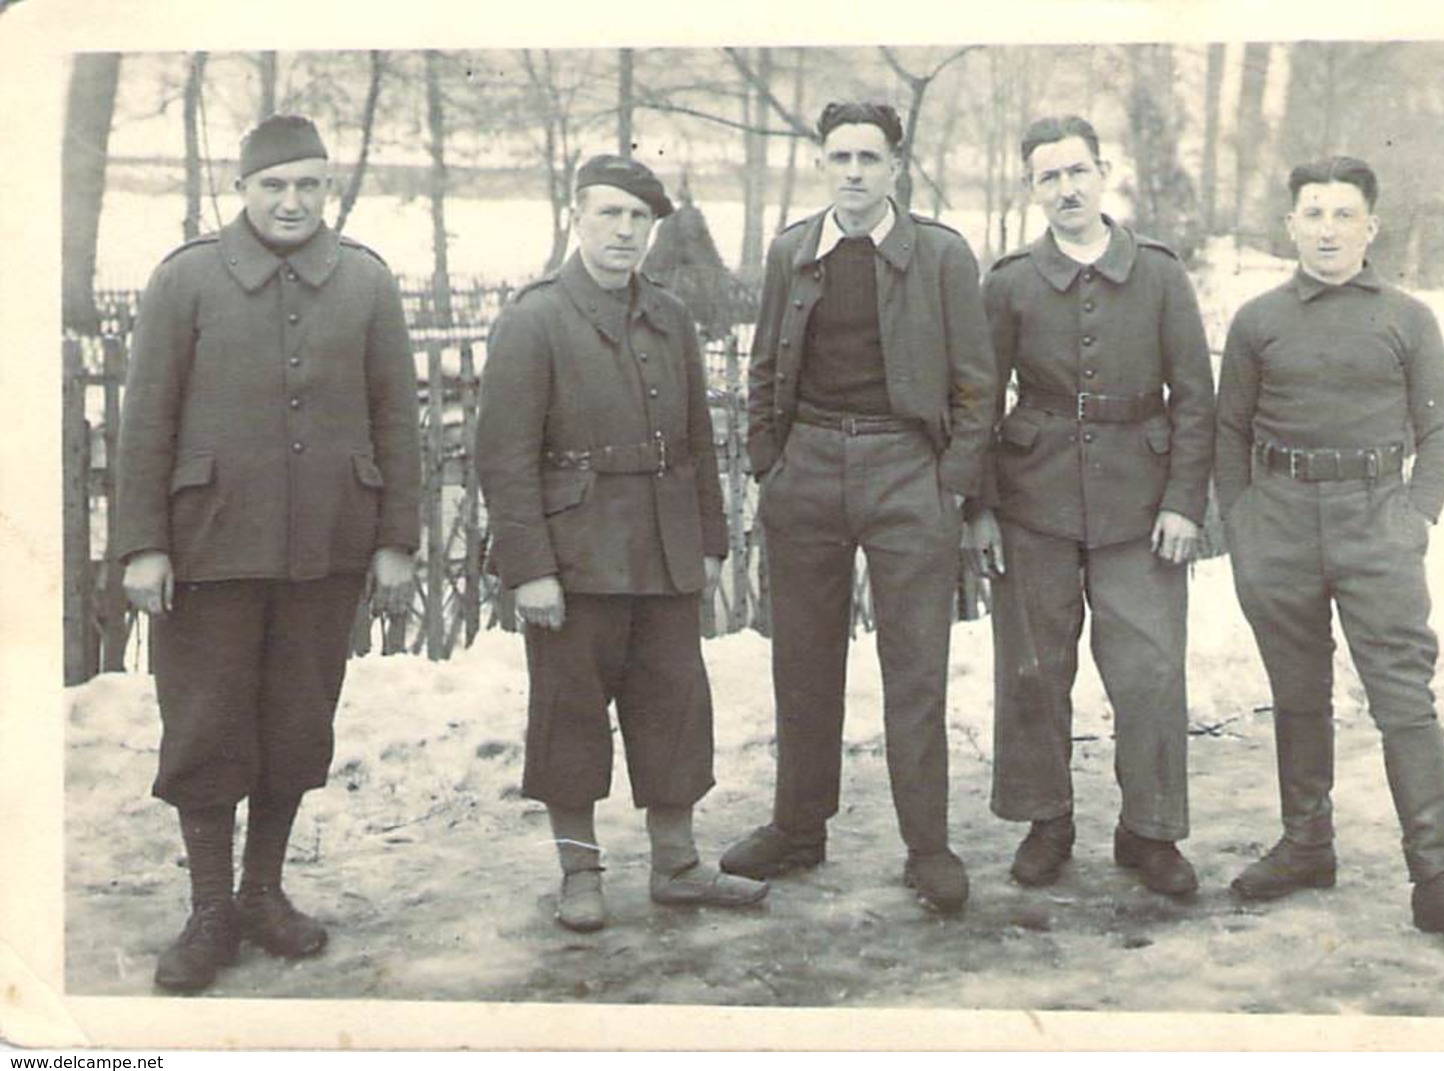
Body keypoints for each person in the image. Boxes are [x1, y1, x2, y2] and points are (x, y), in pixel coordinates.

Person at [115, 114, 421, 993]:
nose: (291, 202)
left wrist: (394, 538)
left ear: (329, 189)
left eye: (308, 185)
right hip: (209, 543)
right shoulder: (187, 280)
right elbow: (147, 422)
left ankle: (262, 891)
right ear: (241, 189)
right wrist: (143, 545)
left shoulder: (364, 281)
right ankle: (211, 907)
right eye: (272, 186)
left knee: (295, 723)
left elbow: (397, 418)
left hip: (326, 544)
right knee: (206, 724)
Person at [1215, 155, 1444, 958]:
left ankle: (1437, 883)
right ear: (1290, 224)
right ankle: (1306, 845)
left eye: (1343, 214)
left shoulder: (1407, 317)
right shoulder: (1257, 319)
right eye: (1312, 212)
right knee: (1297, 691)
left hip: (1377, 520)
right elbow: (1230, 428)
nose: (1326, 229)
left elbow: (1439, 429)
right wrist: (1242, 521)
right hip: (1277, 521)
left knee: (1403, 698)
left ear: (1369, 227)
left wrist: (1415, 515)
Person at [476, 155, 768, 933]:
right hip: (576, 557)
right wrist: (529, 567)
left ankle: (675, 865)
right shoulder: (533, 318)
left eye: (637, 219)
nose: (623, 231)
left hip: (665, 549)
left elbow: (701, 441)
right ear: (577, 216)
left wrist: (708, 539)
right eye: (608, 214)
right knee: (570, 715)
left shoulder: (668, 315)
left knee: (675, 707)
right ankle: (580, 870)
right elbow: (502, 456)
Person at [719, 101, 997, 914]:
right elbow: (767, 363)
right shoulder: (790, 252)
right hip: (805, 467)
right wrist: (769, 461)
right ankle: (798, 828)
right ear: (819, 164)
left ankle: (927, 844)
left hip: (905, 467)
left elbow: (976, 383)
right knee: (802, 660)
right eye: (838, 156)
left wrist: (949, 482)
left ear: (895, 168)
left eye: (868, 158)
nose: (852, 171)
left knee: (915, 667)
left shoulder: (940, 255)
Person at [965, 116, 1215, 896]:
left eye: (1077, 171)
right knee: (1034, 668)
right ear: (1030, 188)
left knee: (1148, 668)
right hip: (1030, 498)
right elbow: (975, 398)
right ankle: (1047, 819)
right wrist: (978, 509)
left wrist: (1182, 502)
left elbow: (1196, 399)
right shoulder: (1007, 281)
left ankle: (1150, 829)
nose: (1065, 189)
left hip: (1140, 506)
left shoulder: (1160, 275)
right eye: (1048, 177)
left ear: (1103, 173)